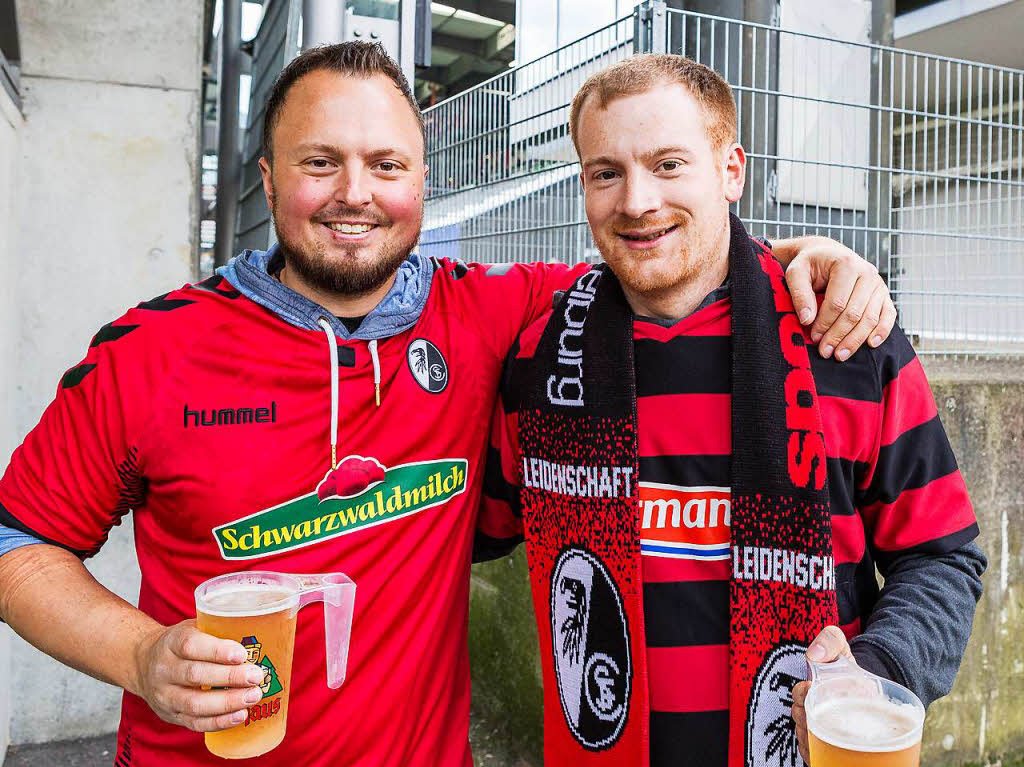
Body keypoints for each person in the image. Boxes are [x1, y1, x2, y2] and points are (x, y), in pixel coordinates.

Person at [0, 43, 893, 766]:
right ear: (269, 181)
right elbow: (19, 545)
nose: (356, 193)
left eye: (386, 164)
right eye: (321, 163)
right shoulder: (152, 352)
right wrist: (141, 657)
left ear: (423, 184)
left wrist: (800, 260)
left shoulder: (491, 310)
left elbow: (660, 250)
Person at [477, 54, 986, 767]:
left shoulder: (846, 341)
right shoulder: (540, 358)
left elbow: (941, 556)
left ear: (730, 171)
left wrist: (878, 672)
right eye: (605, 172)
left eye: (669, 164)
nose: (637, 200)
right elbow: (465, 528)